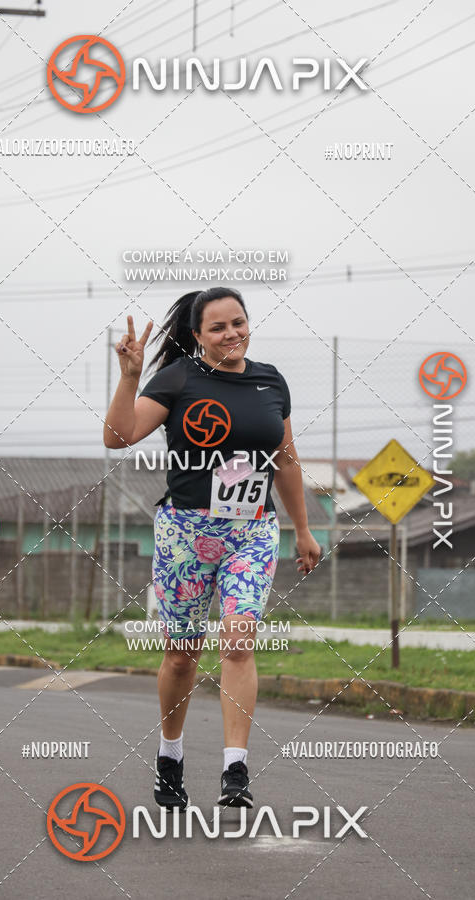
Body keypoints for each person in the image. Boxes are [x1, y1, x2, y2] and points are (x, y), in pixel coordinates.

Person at [103, 286, 320, 811]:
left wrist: (303, 529)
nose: (232, 334)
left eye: (239, 322)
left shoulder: (271, 381)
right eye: (218, 327)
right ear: (197, 336)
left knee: (239, 641)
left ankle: (235, 772)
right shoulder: (178, 378)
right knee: (181, 656)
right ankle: (170, 757)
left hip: (252, 530)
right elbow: (118, 436)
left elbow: (286, 462)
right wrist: (131, 375)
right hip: (185, 533)